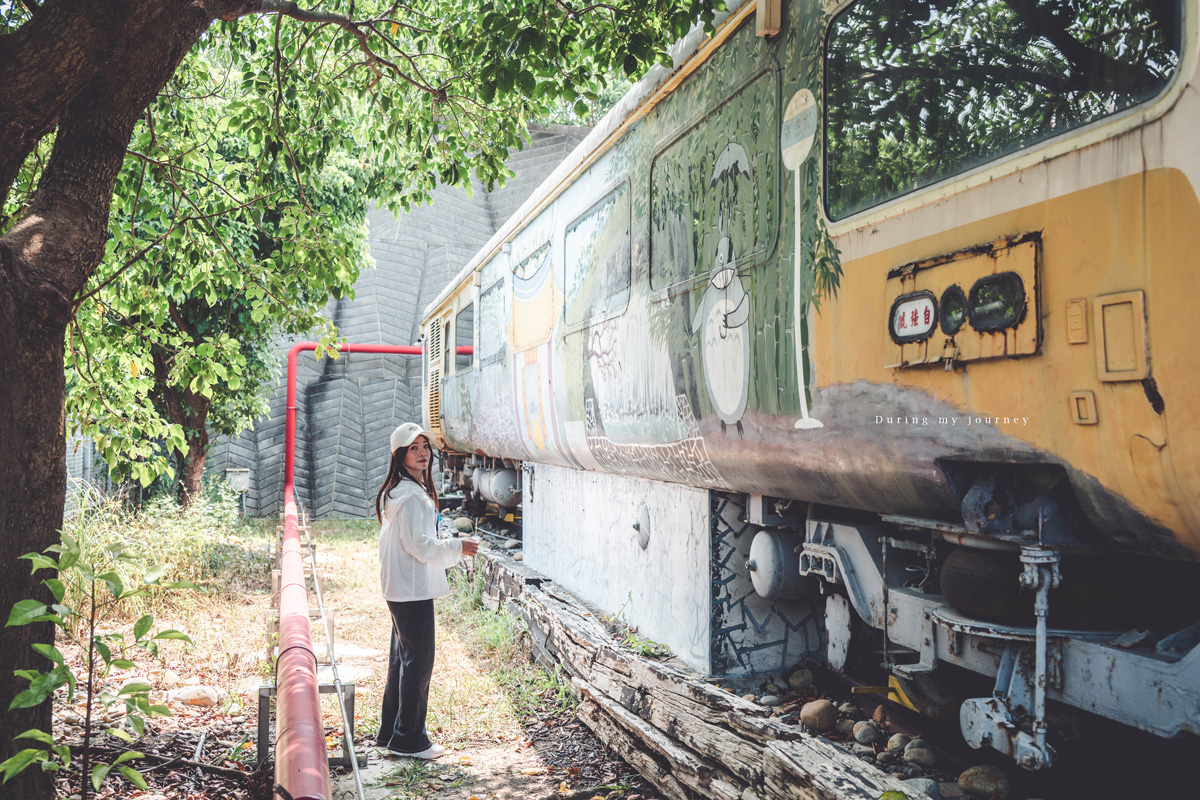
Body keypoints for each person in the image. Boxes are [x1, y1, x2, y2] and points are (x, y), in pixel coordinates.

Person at [374, 422, 478, 759]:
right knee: (418, 661)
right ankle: (409, 740)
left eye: (424, 446)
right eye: (413, 448)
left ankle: (392, 730)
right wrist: (457, 545)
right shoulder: (413, 498)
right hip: (411, 588)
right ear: (399, 454)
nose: (422, 453)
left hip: (400, 586)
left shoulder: (399, 491)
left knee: (402, 660)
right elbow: (420, 546)